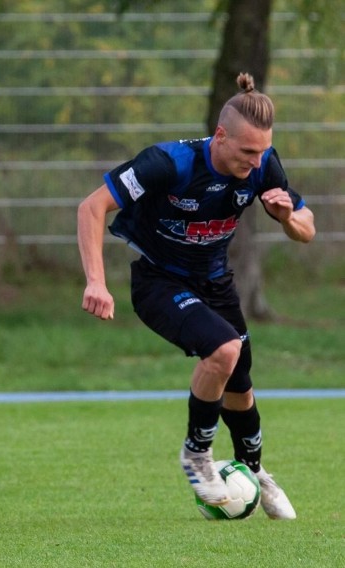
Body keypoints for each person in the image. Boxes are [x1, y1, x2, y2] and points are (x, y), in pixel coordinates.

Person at [77, 73, 314, 520]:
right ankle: (197, 455)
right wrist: (95, 280)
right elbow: (91, 207)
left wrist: (286, 218)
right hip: (159, 282)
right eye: (247, 151)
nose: (256, 161)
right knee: (223, 350)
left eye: (262, 151)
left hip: (215, 282)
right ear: (220, 136)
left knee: (240, 386)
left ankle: (255, 473)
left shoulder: (263, 164)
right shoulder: (169, 162)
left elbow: (307, 229)